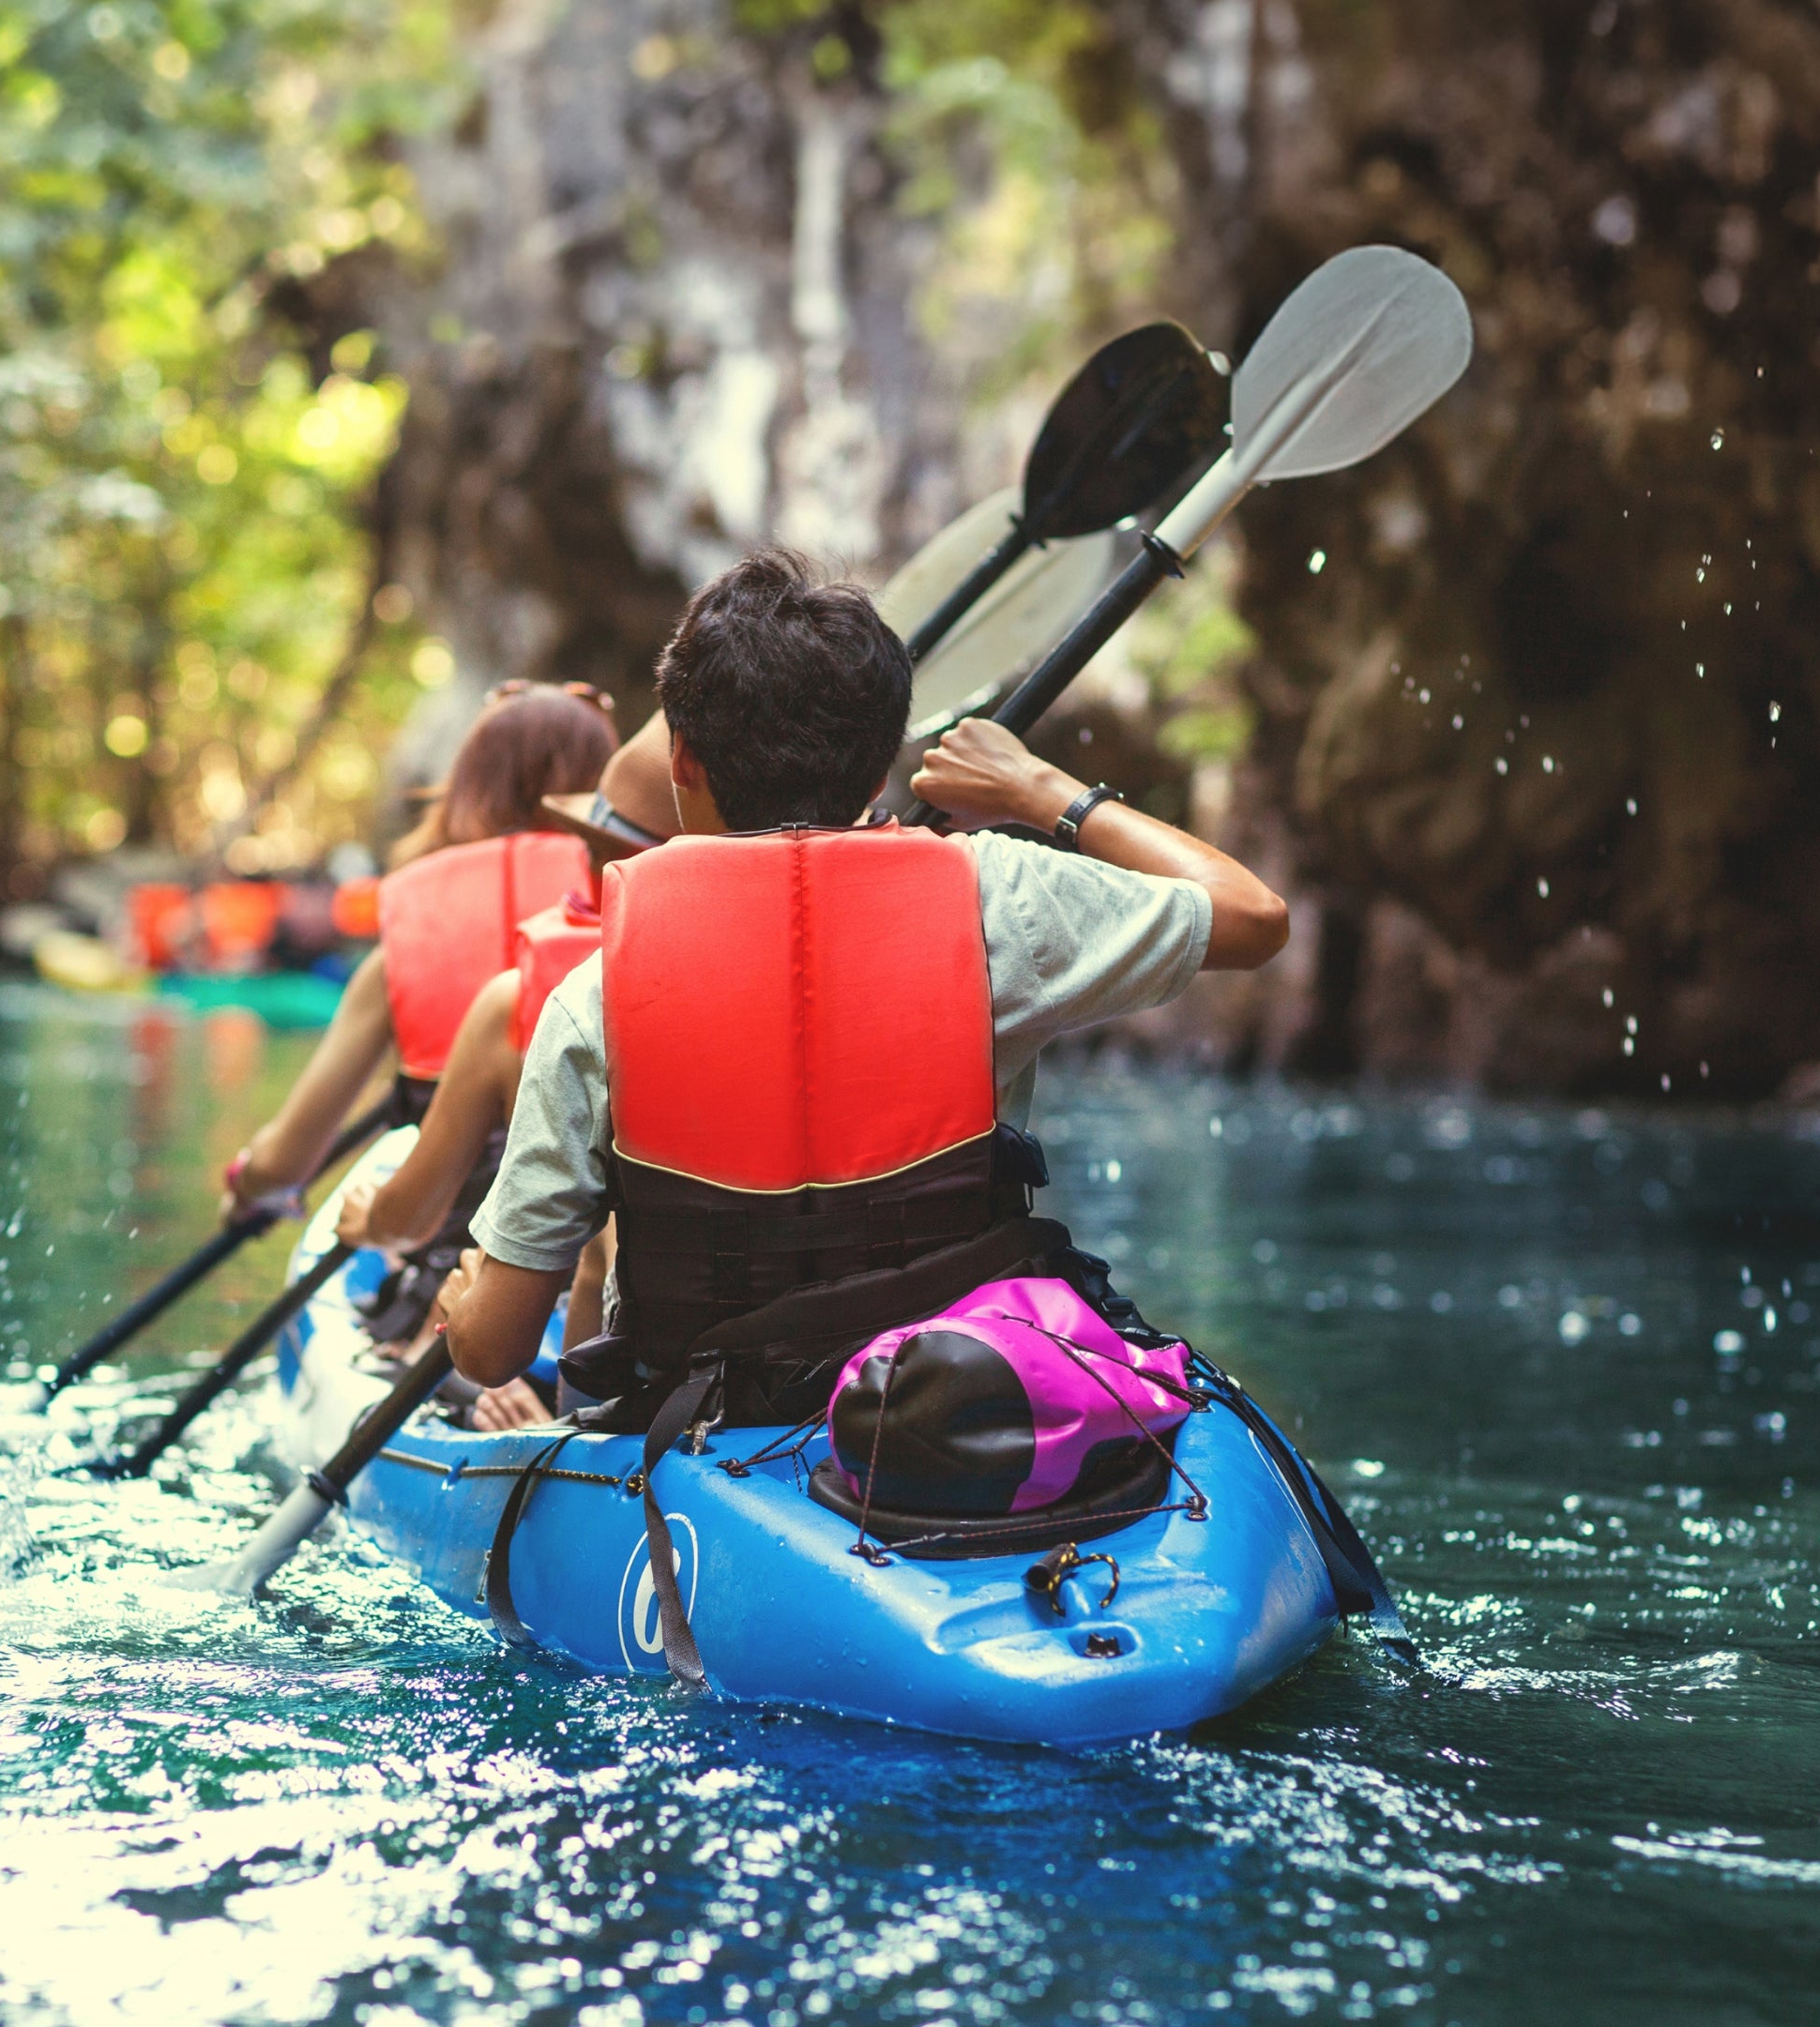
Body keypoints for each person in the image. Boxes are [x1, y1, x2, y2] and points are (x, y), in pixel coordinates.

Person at [429, 550, 1289, 1669]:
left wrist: (457, 1297)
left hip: (722, 1435)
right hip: (962, 1398)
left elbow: (493, 1345)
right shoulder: (992, 895)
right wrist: (1046, 793)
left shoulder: (596, 998)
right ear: (882, 760)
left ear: (682, 763)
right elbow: (1253, 915)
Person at [217, 681, 615, 1225]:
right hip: (599, 1251)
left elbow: (287, 1160)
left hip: (442, 1246)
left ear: (469, 786)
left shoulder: (406, 941)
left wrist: (248, 1182)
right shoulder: (636, 910)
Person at [333, 891, 619, 1429]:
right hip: (769, 1397)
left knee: (449, 1323)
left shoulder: (540, 998)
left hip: (532, 1336)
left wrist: (370, 1222)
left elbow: (409, 1227)